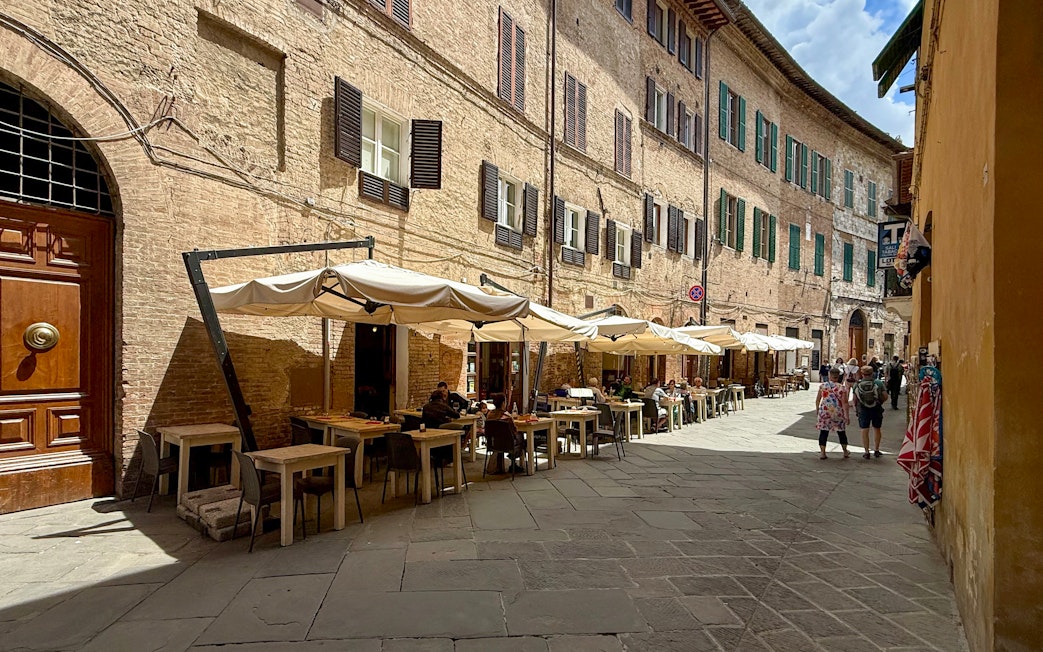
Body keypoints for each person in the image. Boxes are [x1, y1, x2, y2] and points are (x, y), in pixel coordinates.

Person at [853, 365, 889, 459]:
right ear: (872, 372)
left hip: (863, 409)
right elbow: (885, 396)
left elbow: (854, 399)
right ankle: (876, 450)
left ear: (862, 373)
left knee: (864, 430)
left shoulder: (857, 384)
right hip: (876, 408)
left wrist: (856, 408)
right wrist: (879, 402)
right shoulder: (878, 383)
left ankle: (866, 451)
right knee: (877, 428)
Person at [815, 367, 850, 459]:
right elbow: (845, 403)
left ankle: (823, 453)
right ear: (838, 376)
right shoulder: (841, 388)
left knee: (823, 432)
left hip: (825, 412)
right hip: (837, 412)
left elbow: (818, 399)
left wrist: (817, 409)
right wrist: (847, 416)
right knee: (841, 432)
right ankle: (845, 451)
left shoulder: (823, 386)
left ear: (829, 375)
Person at [487, 392, 524, 473]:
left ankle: (500, 467)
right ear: (503, 403)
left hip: (493, 443)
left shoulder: (489, 415)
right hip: (507, 444)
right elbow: (514, 430)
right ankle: (514, 463)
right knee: (520, 437)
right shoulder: (507, 417)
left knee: (503, 438)